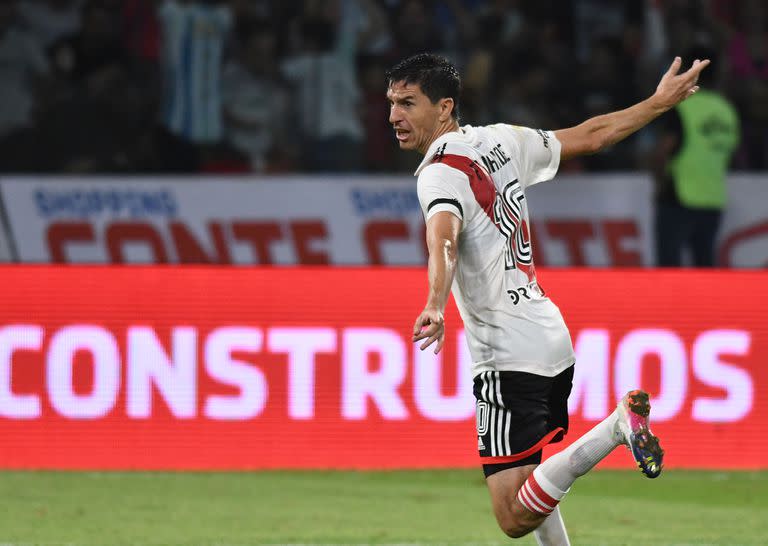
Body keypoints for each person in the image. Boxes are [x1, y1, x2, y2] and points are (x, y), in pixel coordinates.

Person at [386, 53, 708, 543]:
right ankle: (615, 430)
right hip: (547, 335)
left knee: (513, 515)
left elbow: (444, 239)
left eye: (408, 103)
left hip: (507, 351)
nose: (394, 116)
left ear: (444, 106)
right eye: (391, 102)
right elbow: (594, 134)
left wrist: (434, 302)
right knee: (531, 479)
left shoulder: (439, 172)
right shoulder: (501, 139)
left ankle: (617, 428)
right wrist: (658, 102)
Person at [653, 46, 740, 266]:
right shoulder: (727, 111)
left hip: (678, 196)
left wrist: (658, 181)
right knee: (705, 269)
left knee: (669, 269)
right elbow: (730, 153)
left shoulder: (683, 107)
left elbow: (663, 150)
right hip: (713, 198)